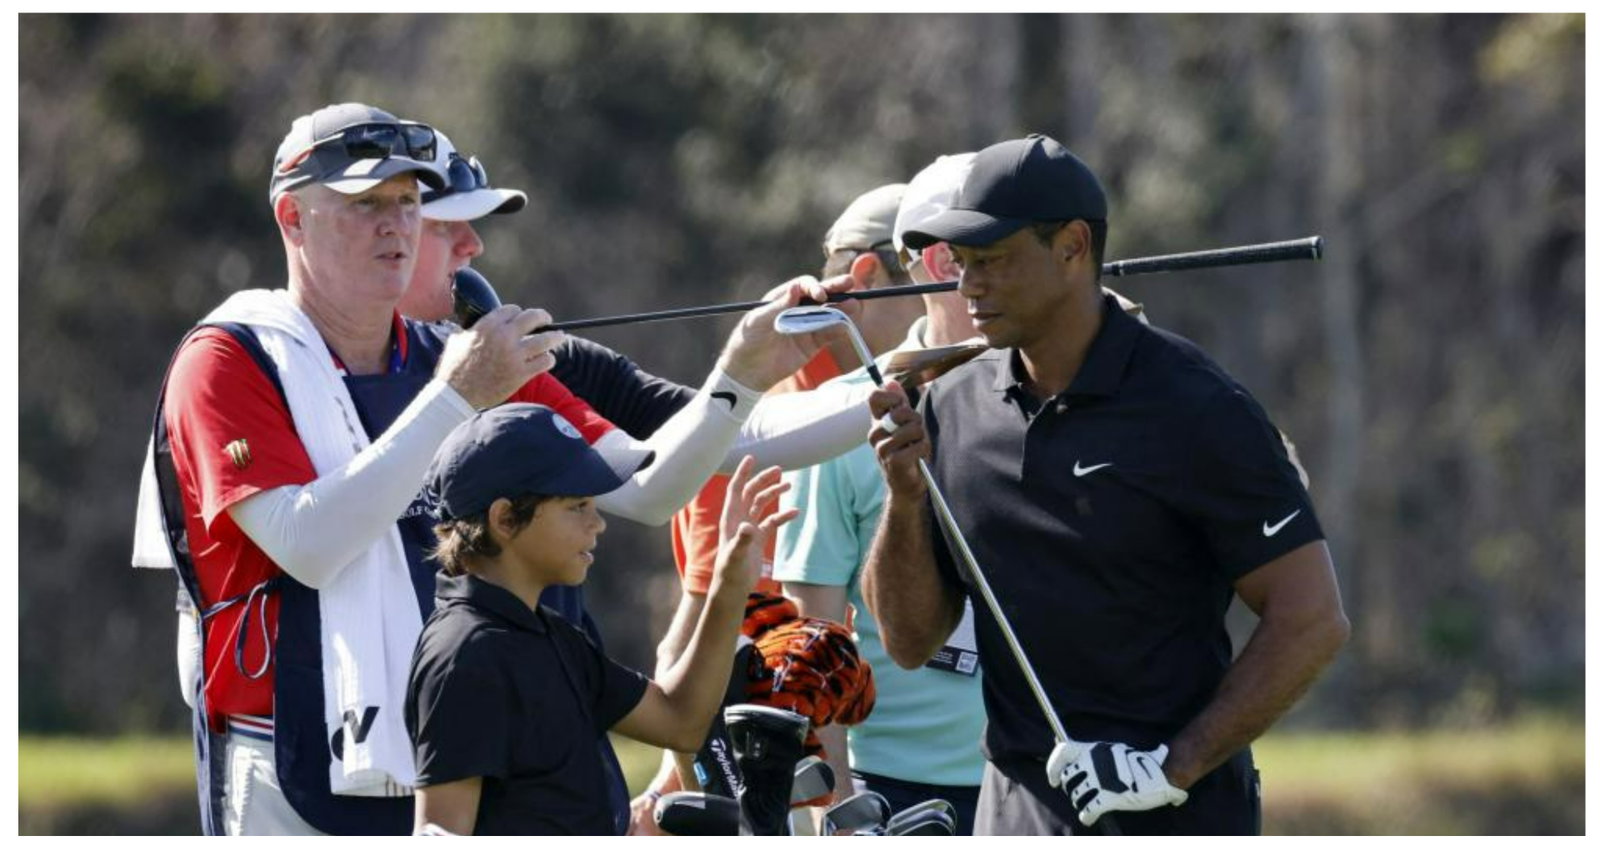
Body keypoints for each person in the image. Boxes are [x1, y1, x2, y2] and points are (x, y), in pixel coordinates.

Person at [131, 102, 847, 835]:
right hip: (284, 756)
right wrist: (455, 396)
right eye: (364, 202)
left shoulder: (458, 355)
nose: (395, 223)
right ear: (292, 218)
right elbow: (308, 546)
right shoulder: (229, 357)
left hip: (453, 748)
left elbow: (646, 486)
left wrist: (739, 378)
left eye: (409, 201)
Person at [861, 134, 1350, 835]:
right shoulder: (949, 406)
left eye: (993, 260)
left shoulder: (1198, 407)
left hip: (1179, 814)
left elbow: (1312, 618)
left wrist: (1172, 766)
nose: (969, 286)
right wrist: (904, 499)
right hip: (1017, 814)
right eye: (963, 263)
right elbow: (909, 642)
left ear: (1072, 246)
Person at [629, 183, 919, 830]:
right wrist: (666, 789)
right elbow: (700, 640)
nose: (948, 298)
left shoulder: (914, 400)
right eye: (926, 271)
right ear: (867, 274)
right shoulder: (754, 428)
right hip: (779, 791)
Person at [405, 403, 795, 835]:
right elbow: (440, 834)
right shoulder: (466, 655)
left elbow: (681, 721)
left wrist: (728, 587)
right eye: (578, 506)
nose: (598, 524)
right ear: (504, 518)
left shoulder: (549, 634)